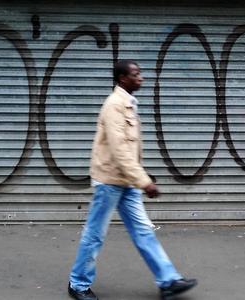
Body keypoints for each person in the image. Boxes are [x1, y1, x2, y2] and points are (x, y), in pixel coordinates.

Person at [67, 60, 197, 300]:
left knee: (143, 232)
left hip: (127, 181)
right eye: (136, 74)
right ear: (122, 78)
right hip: (109, 182)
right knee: (95, 234)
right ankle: (78, 284)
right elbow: (119, 150)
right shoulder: (114, 106)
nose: (141, 78)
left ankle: (168, 280)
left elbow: (129, 149)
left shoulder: (127, 103)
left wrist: (137, 179)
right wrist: (144, 181)